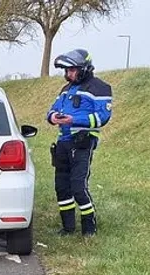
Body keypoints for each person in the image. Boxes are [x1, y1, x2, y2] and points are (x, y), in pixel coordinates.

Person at [46, 49, 113, 237]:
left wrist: (73, 120)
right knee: (62, 186)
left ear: (83, 69)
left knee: (78, 186)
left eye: (72, 70)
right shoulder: (66, 90)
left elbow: (102, 117)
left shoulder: (99, 87)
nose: (68, 74)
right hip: (63, 143)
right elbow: (51, 111)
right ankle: (67, 228)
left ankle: (89, 228)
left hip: (82, 142)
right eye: (66, 71)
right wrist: (54, 118)